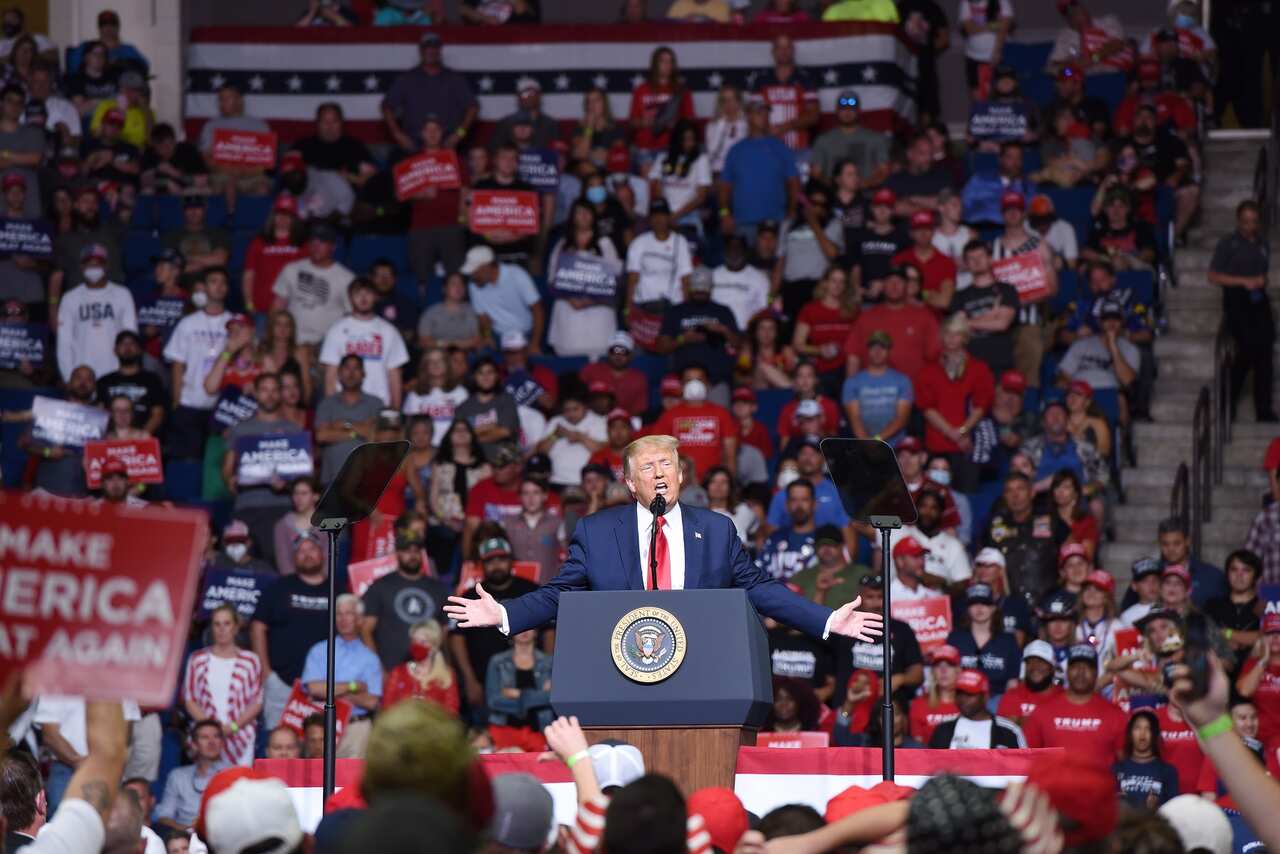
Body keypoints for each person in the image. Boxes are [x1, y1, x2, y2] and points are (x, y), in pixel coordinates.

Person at [447, 435, 885, 643]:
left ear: (681, 474)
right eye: (647, 468)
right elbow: (560, 594)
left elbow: (759, 588)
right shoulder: (597, 532)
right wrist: (506, 613)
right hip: (622, 670)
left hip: (700, 667)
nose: (659, 475)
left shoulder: (716, 529)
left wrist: (824, 619)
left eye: (667, 465)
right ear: (628, 481)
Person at [250, 532, 332, 728]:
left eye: (311, 548)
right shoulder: (278, 588)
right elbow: (257, 627)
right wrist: (266, 673)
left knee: (321, 751)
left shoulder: (337, 589)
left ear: (322, 553)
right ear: (293, 558)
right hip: (281, 684)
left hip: (325, 688)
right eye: (300, 550)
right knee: (279, 747)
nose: (307, 554)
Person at [1209, 200, 1274, 422]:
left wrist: (1261, 281)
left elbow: (1262, 271)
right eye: (1245, 221)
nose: (1249, 226)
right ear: (1239, 221)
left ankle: (1264, 410)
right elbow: (1213, 275)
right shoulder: (1228, 243)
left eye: (1253, 221)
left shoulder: (1263, 244)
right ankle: (1227, 403)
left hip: (1259, 299)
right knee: (1246, 350)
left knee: (1265, 351)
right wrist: (1243, 282)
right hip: (1236, 299)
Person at [915, 313, 994, 491]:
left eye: (956, 334)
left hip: (968, 447)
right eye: (947, 333)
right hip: (937, 445)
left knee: (966, 497)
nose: (951, 338)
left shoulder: (978, 369)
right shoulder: (928, 370)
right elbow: (926, 407)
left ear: (965, 337)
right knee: (934, 498)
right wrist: (953, 433)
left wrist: (963, 431)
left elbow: (981, 405)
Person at [301, 594, 382, 757]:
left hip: (355, 729)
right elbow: (313, 688)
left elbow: (372, 702)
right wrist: (354, 687)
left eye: (349, 613)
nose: (343, 619)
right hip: (321, 728)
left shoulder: (370, 658)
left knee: (354, 780)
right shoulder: (320, 650)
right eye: (339, 613)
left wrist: (330, 691)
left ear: (360, 619)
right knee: (319, 778)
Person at [361, 529, 450, 672]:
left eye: (416, 550)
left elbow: (444, 634)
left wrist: (444, 667)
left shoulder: (438, 588)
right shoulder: (381, 587)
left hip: (430, 671)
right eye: (406, 551)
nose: (412, 555)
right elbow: (365, 630)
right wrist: (378, 670)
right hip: (391, 671)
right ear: (397, 554)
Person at [1023, 643, 1126, 766]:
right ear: (1067, 671)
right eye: (1075, 667)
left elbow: (1125, 764)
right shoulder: (1042, 712)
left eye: (1087, 667)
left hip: (1099, 785)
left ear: (1096, 673)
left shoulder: (1115, 714)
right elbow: (1027, 760)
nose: (1081, 672)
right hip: (1053, 784)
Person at [828, 574, 922, 704]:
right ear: (858, 598)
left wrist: (900, 678)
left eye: (881, 597)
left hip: (888, 710)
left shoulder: (902, 630)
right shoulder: (842, 627)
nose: (876, 603)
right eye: (870, 597)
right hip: (849, 706)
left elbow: (918, 674)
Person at [719, 97, 800, 240]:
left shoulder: (781, 148)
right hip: (742, 223)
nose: (764, 117)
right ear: (748, 116)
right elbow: (724, 188)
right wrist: (725, 214)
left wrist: (792, 211)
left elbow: (794, 183)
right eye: (759, 113)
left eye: (766, 113)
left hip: (775, 223)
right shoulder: (736, 151)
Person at [382, 32, 475, 154]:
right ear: (420, 51)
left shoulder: (455, 79)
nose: (431, 51)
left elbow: (472, 108)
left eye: (434, 48)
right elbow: (387, 106)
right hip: (414, 145)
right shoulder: (406, 79)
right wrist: (397, 134)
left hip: (448, 145)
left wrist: (459, 134)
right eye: (427, 48)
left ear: (440, 51)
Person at [55, 243, 137, 382]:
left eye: (98, 264)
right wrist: (69, 377)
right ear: (82, 267)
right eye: (89, 265)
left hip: (115, 370)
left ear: (106, 266)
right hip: (82, 375)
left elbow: (130, 336)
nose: (93, 269)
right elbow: (64, 342)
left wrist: (126, 372)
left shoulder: (122, 294)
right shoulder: (70, 298)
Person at [271, 223, 354, 348]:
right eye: (313, 241)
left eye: (322, 241)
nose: (316, 245)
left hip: (326, 345)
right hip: (291, 341)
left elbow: (351, 317)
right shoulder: (292, 269)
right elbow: (277, 306)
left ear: (333, 246)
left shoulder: (347, 278)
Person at [948, 239, 1019, 377]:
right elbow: (959, 328)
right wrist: (992, 315)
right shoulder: (959, 296)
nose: (976, 261)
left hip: (1000, 362)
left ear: (990, 259)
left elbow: (1002, 324)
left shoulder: (1006, 290)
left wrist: (969, 322)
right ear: (966, 264)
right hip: (969, 363)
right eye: (971, 258)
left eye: (980, 256)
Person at [154, 721, 230, 836]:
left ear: (222, 743)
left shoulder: (234, 774)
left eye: (216, 736)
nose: (212, 742)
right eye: (205, 737)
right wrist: (189, 832)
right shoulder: (178, 776)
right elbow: (164, 816)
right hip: (186, 838)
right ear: (194, 744)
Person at [314, 354, 382, 482]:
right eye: (347, 368)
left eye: (356, 368)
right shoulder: (327, 404)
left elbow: (376, 436)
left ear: (363, 374)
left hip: (367, 478)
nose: (351, 373)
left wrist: (344, 423)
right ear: (339, 373)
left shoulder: (376, 403)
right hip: (333, 478)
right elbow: (322, 436)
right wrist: (356, 432)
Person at [946, 582, 1022, 697]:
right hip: (962, 698)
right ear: (967, 609)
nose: (979, 608)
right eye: (974, 603)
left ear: (993, 608)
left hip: (997, 699)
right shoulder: (955, 639)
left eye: (985, 603)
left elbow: (1013, 682)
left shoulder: (1008, 641)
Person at [486, 628, 554, 751]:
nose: (524, 631)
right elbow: (493, 701)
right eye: (520, 626)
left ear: (536, 631)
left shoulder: (548, 663)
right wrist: (537, 697)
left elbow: (551, 698)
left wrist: (519, 694)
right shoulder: (497, 661)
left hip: (539, 731)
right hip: (504, 730)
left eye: (530, 626)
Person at [927, 670, 1026, 749]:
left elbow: (1025, 767)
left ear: (985, 697)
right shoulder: (943, 730)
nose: (963, 699)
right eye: (959, 693)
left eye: (970, 694)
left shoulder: (1009, 732)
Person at [381, 618, 459, 715]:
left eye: (423, 642)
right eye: (414, 641)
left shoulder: (446, 675)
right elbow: (386, 708)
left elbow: (451, 712)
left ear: (434, 645)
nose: (417, 645)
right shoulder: (398, 673)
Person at [96, 330, 166, 436]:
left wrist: (140, 436)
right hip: (110, 440)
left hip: (143, 438)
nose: (127, 347)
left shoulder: (152, 380)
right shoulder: (104, 381)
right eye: (123, 344)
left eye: (132, 344)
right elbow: (98, 414)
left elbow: (158, 414)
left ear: (140, 350)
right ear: (115, 350)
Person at [1204, 549, 1264, 670]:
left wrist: (1227, 633)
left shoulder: (1265, 606)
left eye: (1246, 570)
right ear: (1227, 574)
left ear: (1256, 576)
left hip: (1258, 677)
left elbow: (1266, 638)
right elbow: (1203, 638)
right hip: (1218, 676)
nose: (1239, 575)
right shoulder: (1212, 606)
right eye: (1234, 569)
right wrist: (1245, 640)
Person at [1114, 709, 1180, 809]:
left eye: (1148, 729)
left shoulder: (1168, 771)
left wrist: (1155, 808)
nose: (1142, 734)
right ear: (1130, 733)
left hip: (1156, 823)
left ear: (1155, 734)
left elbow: (1174, 811)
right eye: (1137, 728)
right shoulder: (1116, 769)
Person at [996, 640, 1063, 725]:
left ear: (1052, 667)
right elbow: (1005, 733)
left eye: (1041, 661)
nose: (1035, 667)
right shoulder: (1012, 696)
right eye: (1030, 662)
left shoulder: (1064, 696)